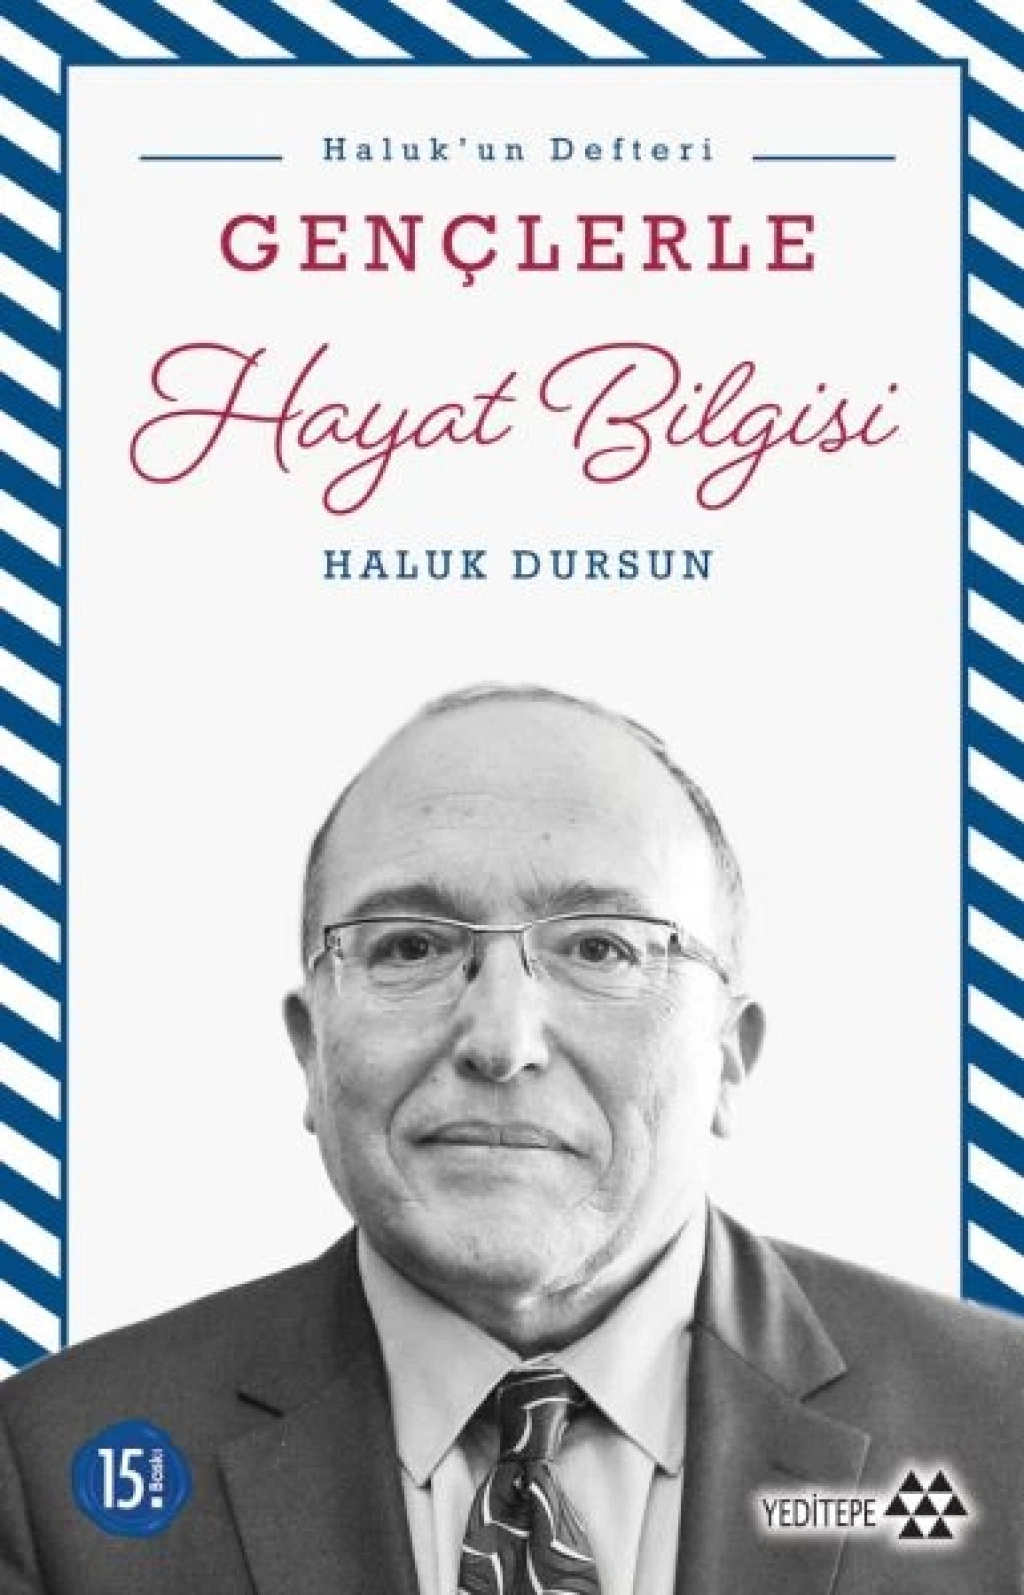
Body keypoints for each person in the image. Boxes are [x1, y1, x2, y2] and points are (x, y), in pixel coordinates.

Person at [0, 682, 1022, 1595]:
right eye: (410, 944)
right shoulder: (52, 1467)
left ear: (729, 1056)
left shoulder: (1000, 1431)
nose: (501, 1041)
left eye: (600, 947)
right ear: (310, 1048)